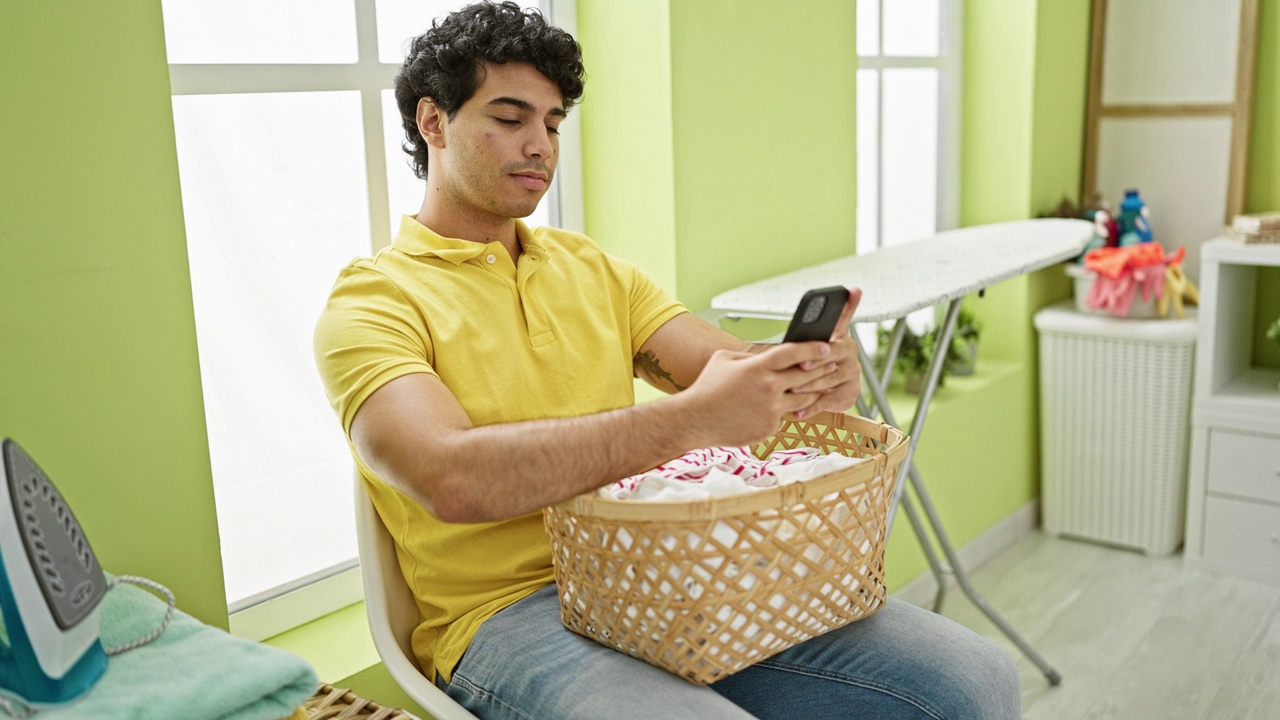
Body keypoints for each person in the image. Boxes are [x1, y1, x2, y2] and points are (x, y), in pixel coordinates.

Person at [314, 3, 1021, 718]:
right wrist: (691, 422)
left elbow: (724, 367)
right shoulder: (372, 305)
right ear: (433, 121)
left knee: (977, 679)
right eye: (509, 118)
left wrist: (800, 377)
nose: (540, 146)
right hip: (505, 616)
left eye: (553, 124)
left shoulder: (592, 270)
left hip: (654, 575)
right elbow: (451, 477)